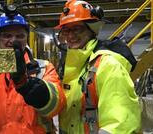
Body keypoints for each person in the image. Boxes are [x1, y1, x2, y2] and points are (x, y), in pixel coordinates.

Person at [55, 0, 141, 133]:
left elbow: (119, 124)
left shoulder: (108, 65)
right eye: (66, 31)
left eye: (77, 29)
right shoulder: (74, 66)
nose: (71, 36)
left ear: (91, 30)